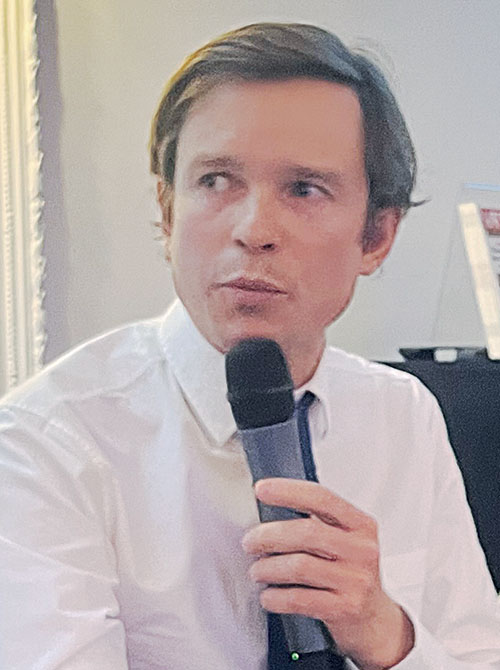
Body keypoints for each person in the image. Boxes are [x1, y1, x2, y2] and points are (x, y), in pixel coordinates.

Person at [0, 21, 499, 670]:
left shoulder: (402, 413)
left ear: (376, 236)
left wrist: (387, 634)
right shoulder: (49, 441)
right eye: (216, 181)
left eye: (304, 189)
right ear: (168, 211)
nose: (254, 228)